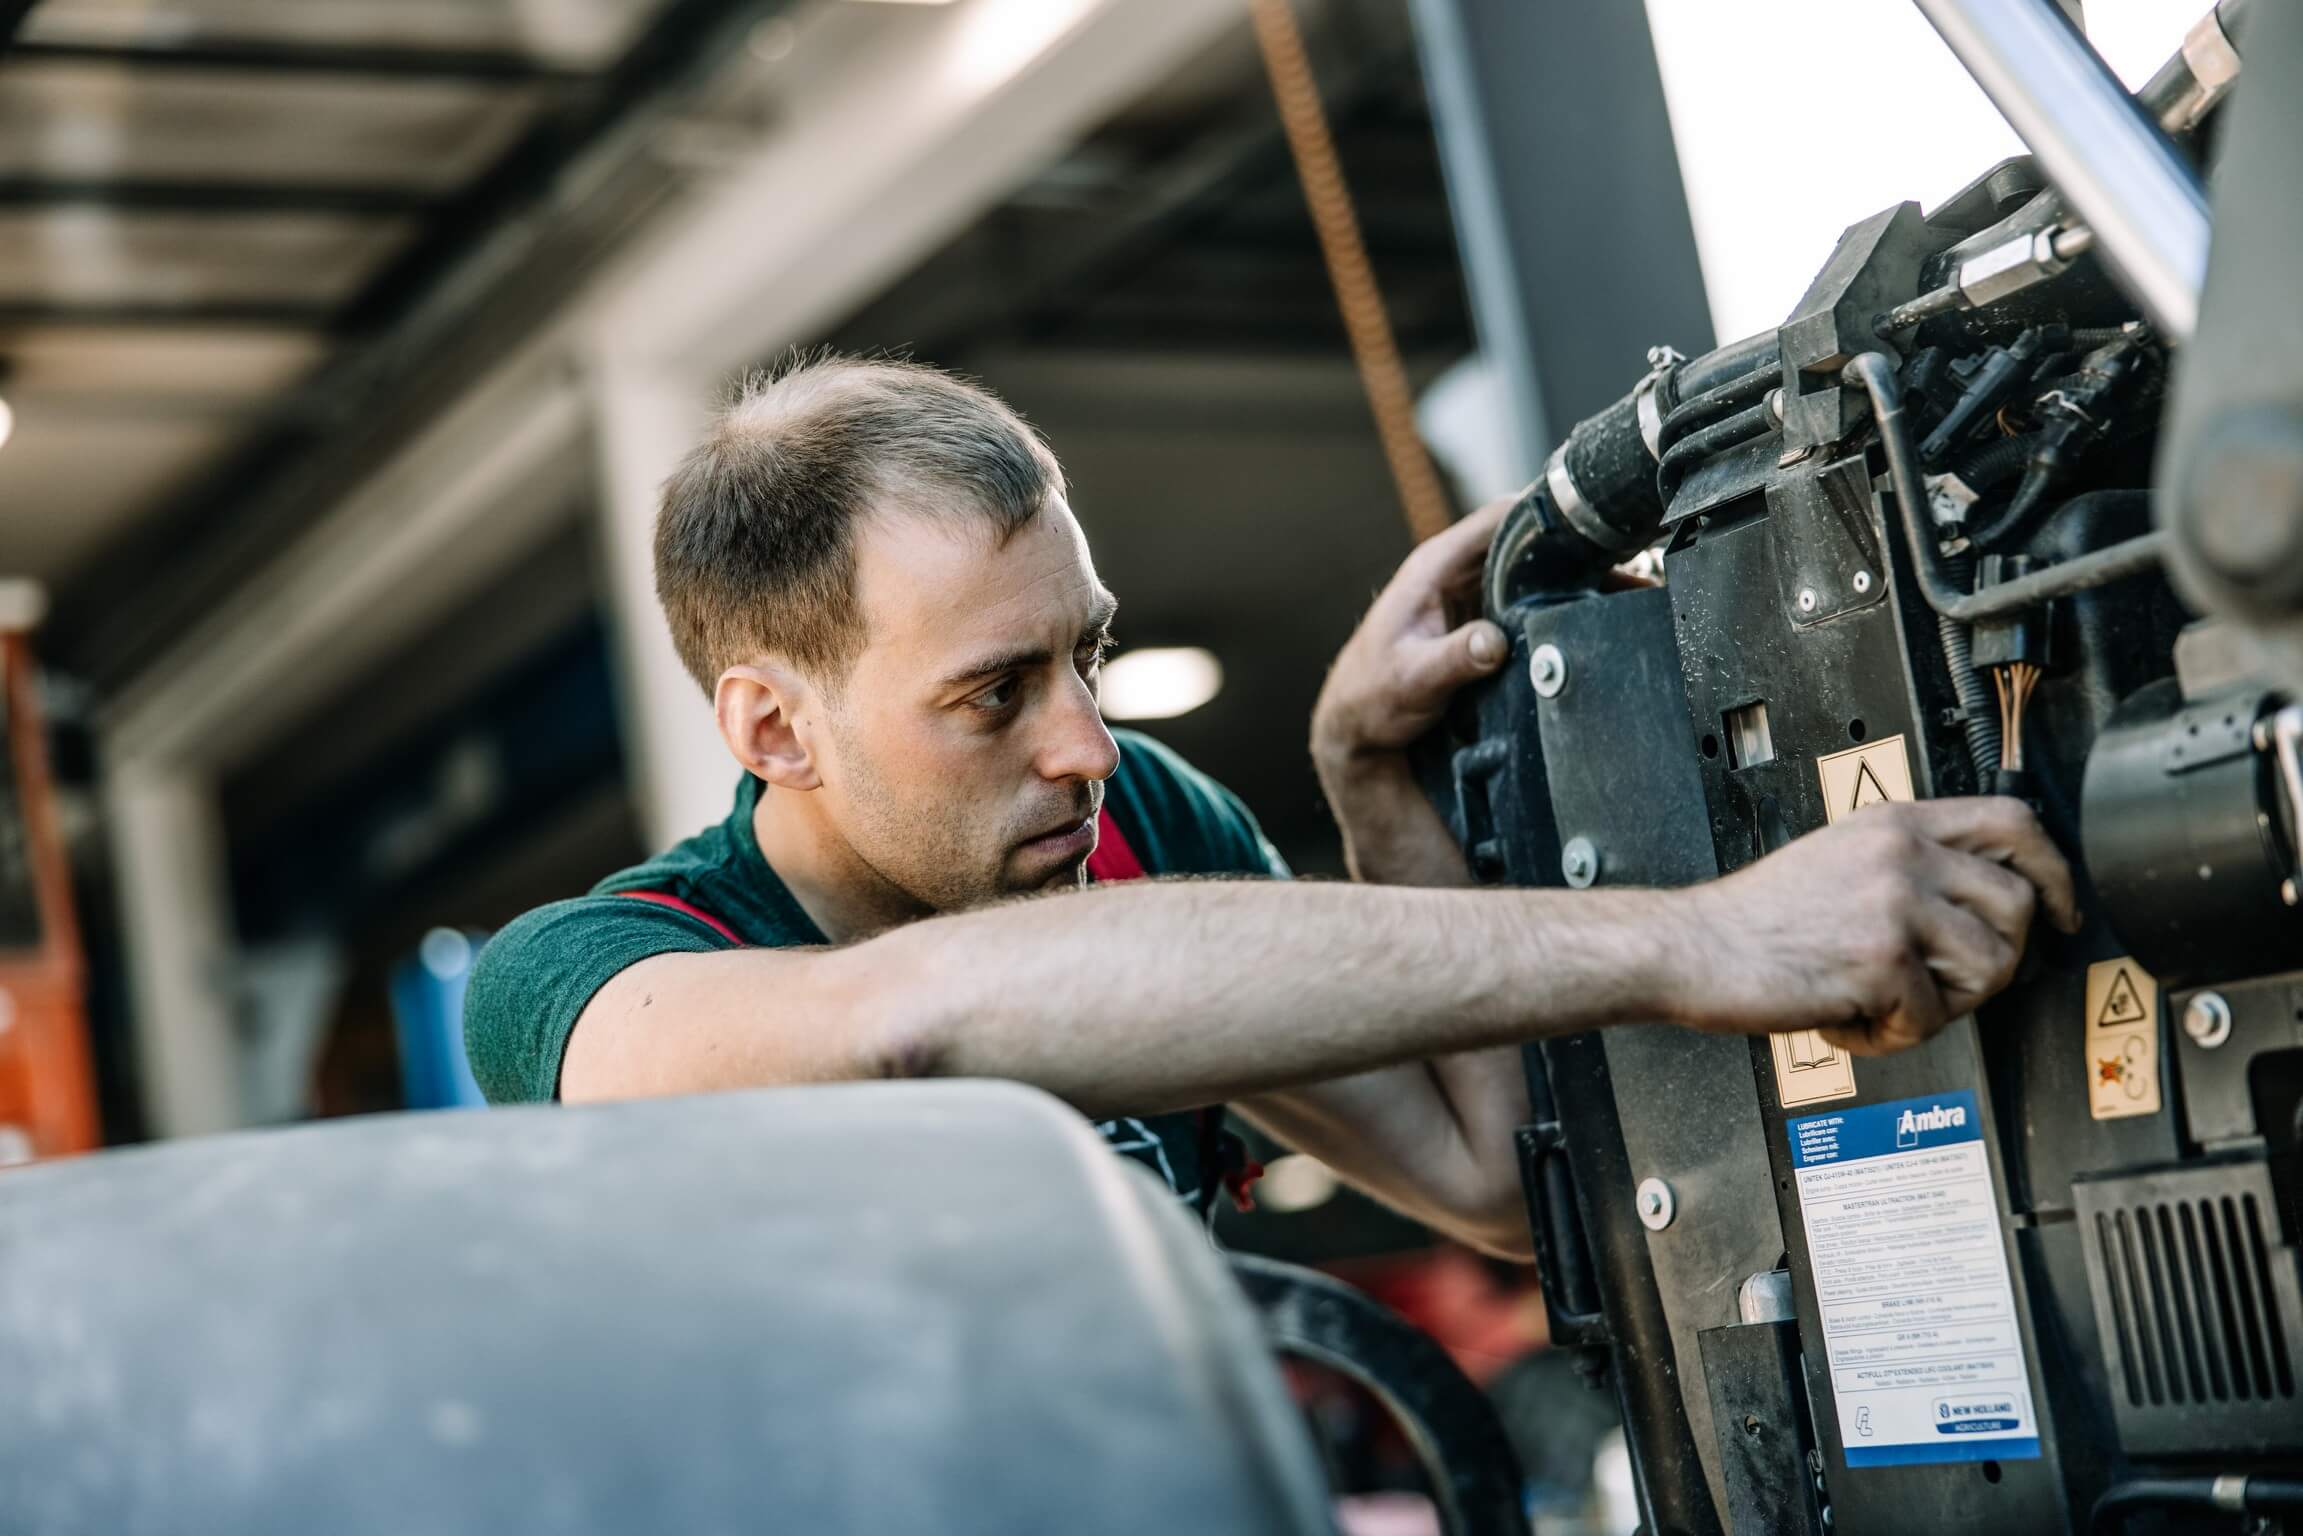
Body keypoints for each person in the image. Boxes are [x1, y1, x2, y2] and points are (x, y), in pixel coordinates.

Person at [463, 354, 2078, 1259]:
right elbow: (911, 1020)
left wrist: (1366, 788)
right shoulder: (594, 982)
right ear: (774, 728)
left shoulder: (1128, 828)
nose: (1084, 746)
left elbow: (1499, 1185)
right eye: (992, 693)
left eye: (1083, 657)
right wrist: (1704, 939)